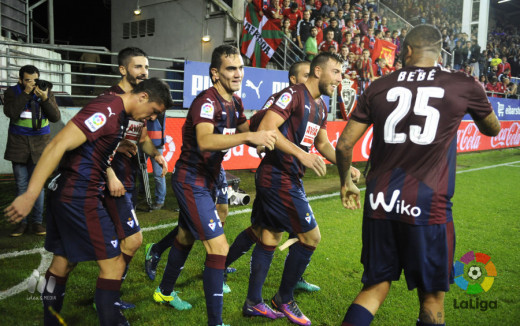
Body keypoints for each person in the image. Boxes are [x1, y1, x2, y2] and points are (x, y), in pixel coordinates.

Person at [335, 24, 500, 326]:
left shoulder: (378, 85)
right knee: (432, 297)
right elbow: (492, 128)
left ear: (407, 50)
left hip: (380, 200)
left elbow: (345, 144)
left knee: (374, 287)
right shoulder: (462, 84)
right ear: (438, 52)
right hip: (428, 204)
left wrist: (346, 182)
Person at [5, 77, 174, 326]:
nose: (151, 118)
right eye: (154, 112)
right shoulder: (107, 110)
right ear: (143, 97)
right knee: (114, 266)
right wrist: (30, 195)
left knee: (63, 262)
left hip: (69, 193)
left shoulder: (118, 114)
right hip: (80, 195)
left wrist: (119, 146)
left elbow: (91, 148)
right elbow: (57, 145)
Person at [152, 45, 277, 326]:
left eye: (241, 68)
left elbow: (245, 128)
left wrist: (259, 138)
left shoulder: (235, 102)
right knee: (218, 248)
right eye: (230, 69)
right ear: (215, 73)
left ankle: (164, 292)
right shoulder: (206, 102)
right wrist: (249, 139)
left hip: (208, 177)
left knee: (185, 237)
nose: (238, 74)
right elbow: (206, 141)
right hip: (191, 178)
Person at [234, 52, 348, 326]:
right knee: (311, 237)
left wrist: (346, 166)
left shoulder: (320, 106)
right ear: (318, 71)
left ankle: (253, 302)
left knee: (270, 237)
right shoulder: (292, 95)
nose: (339, 79)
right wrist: (301, 154)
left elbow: (322, 145)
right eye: (335, 72)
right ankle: (283, 298)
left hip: (287, 177)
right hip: (278, 177)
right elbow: (267, 128)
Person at [101, 47, 168, 309]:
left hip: (126, 179)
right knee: (132, 239)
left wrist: (157, 154)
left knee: (118, 241)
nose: (144, 72)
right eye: (138, 67)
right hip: (108, 181)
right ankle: (106, 298)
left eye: (147, 68)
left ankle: (107, 296)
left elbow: (141, 139)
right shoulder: (109, 100)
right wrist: (110, 170)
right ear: (123, 69)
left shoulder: (140, 100)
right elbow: (93, 142)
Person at [3, 65, 61, 237]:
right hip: (18, 145)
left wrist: (45, 99)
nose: (32, 83)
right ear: (20, 80)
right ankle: (22, 223)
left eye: (34, 80)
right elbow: (11, 113)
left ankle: (36, 223)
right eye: (28, 80)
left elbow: (55, 117)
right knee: (21, 185)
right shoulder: (12, 92)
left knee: (38, 186)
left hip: (40, 145)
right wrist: (26, 93)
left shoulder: (45, 90)